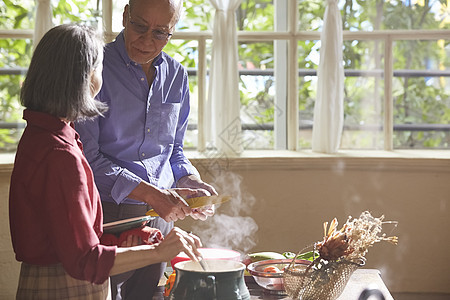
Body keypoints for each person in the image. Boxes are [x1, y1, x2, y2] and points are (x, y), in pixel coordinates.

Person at [9, 23, 203, 300]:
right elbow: (84, 261)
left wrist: (123, 244)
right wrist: (160, 252)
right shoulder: (61, 155)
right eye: (100, 68)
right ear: (87, 79)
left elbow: (65, 234)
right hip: (63, 287)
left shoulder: (45, 134)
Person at [75, 0, 218, 299]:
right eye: (140, 26)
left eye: (160, 32)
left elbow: (174, 149)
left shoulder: (177, 75)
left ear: (172, 31)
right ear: (126, 15)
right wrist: (150, 193)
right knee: (104, 293)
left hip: (162, 214)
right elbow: (86, 158)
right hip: (109, 212)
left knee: (149, 295)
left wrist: (187, 179)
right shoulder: (93, 70)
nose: (147, 40)